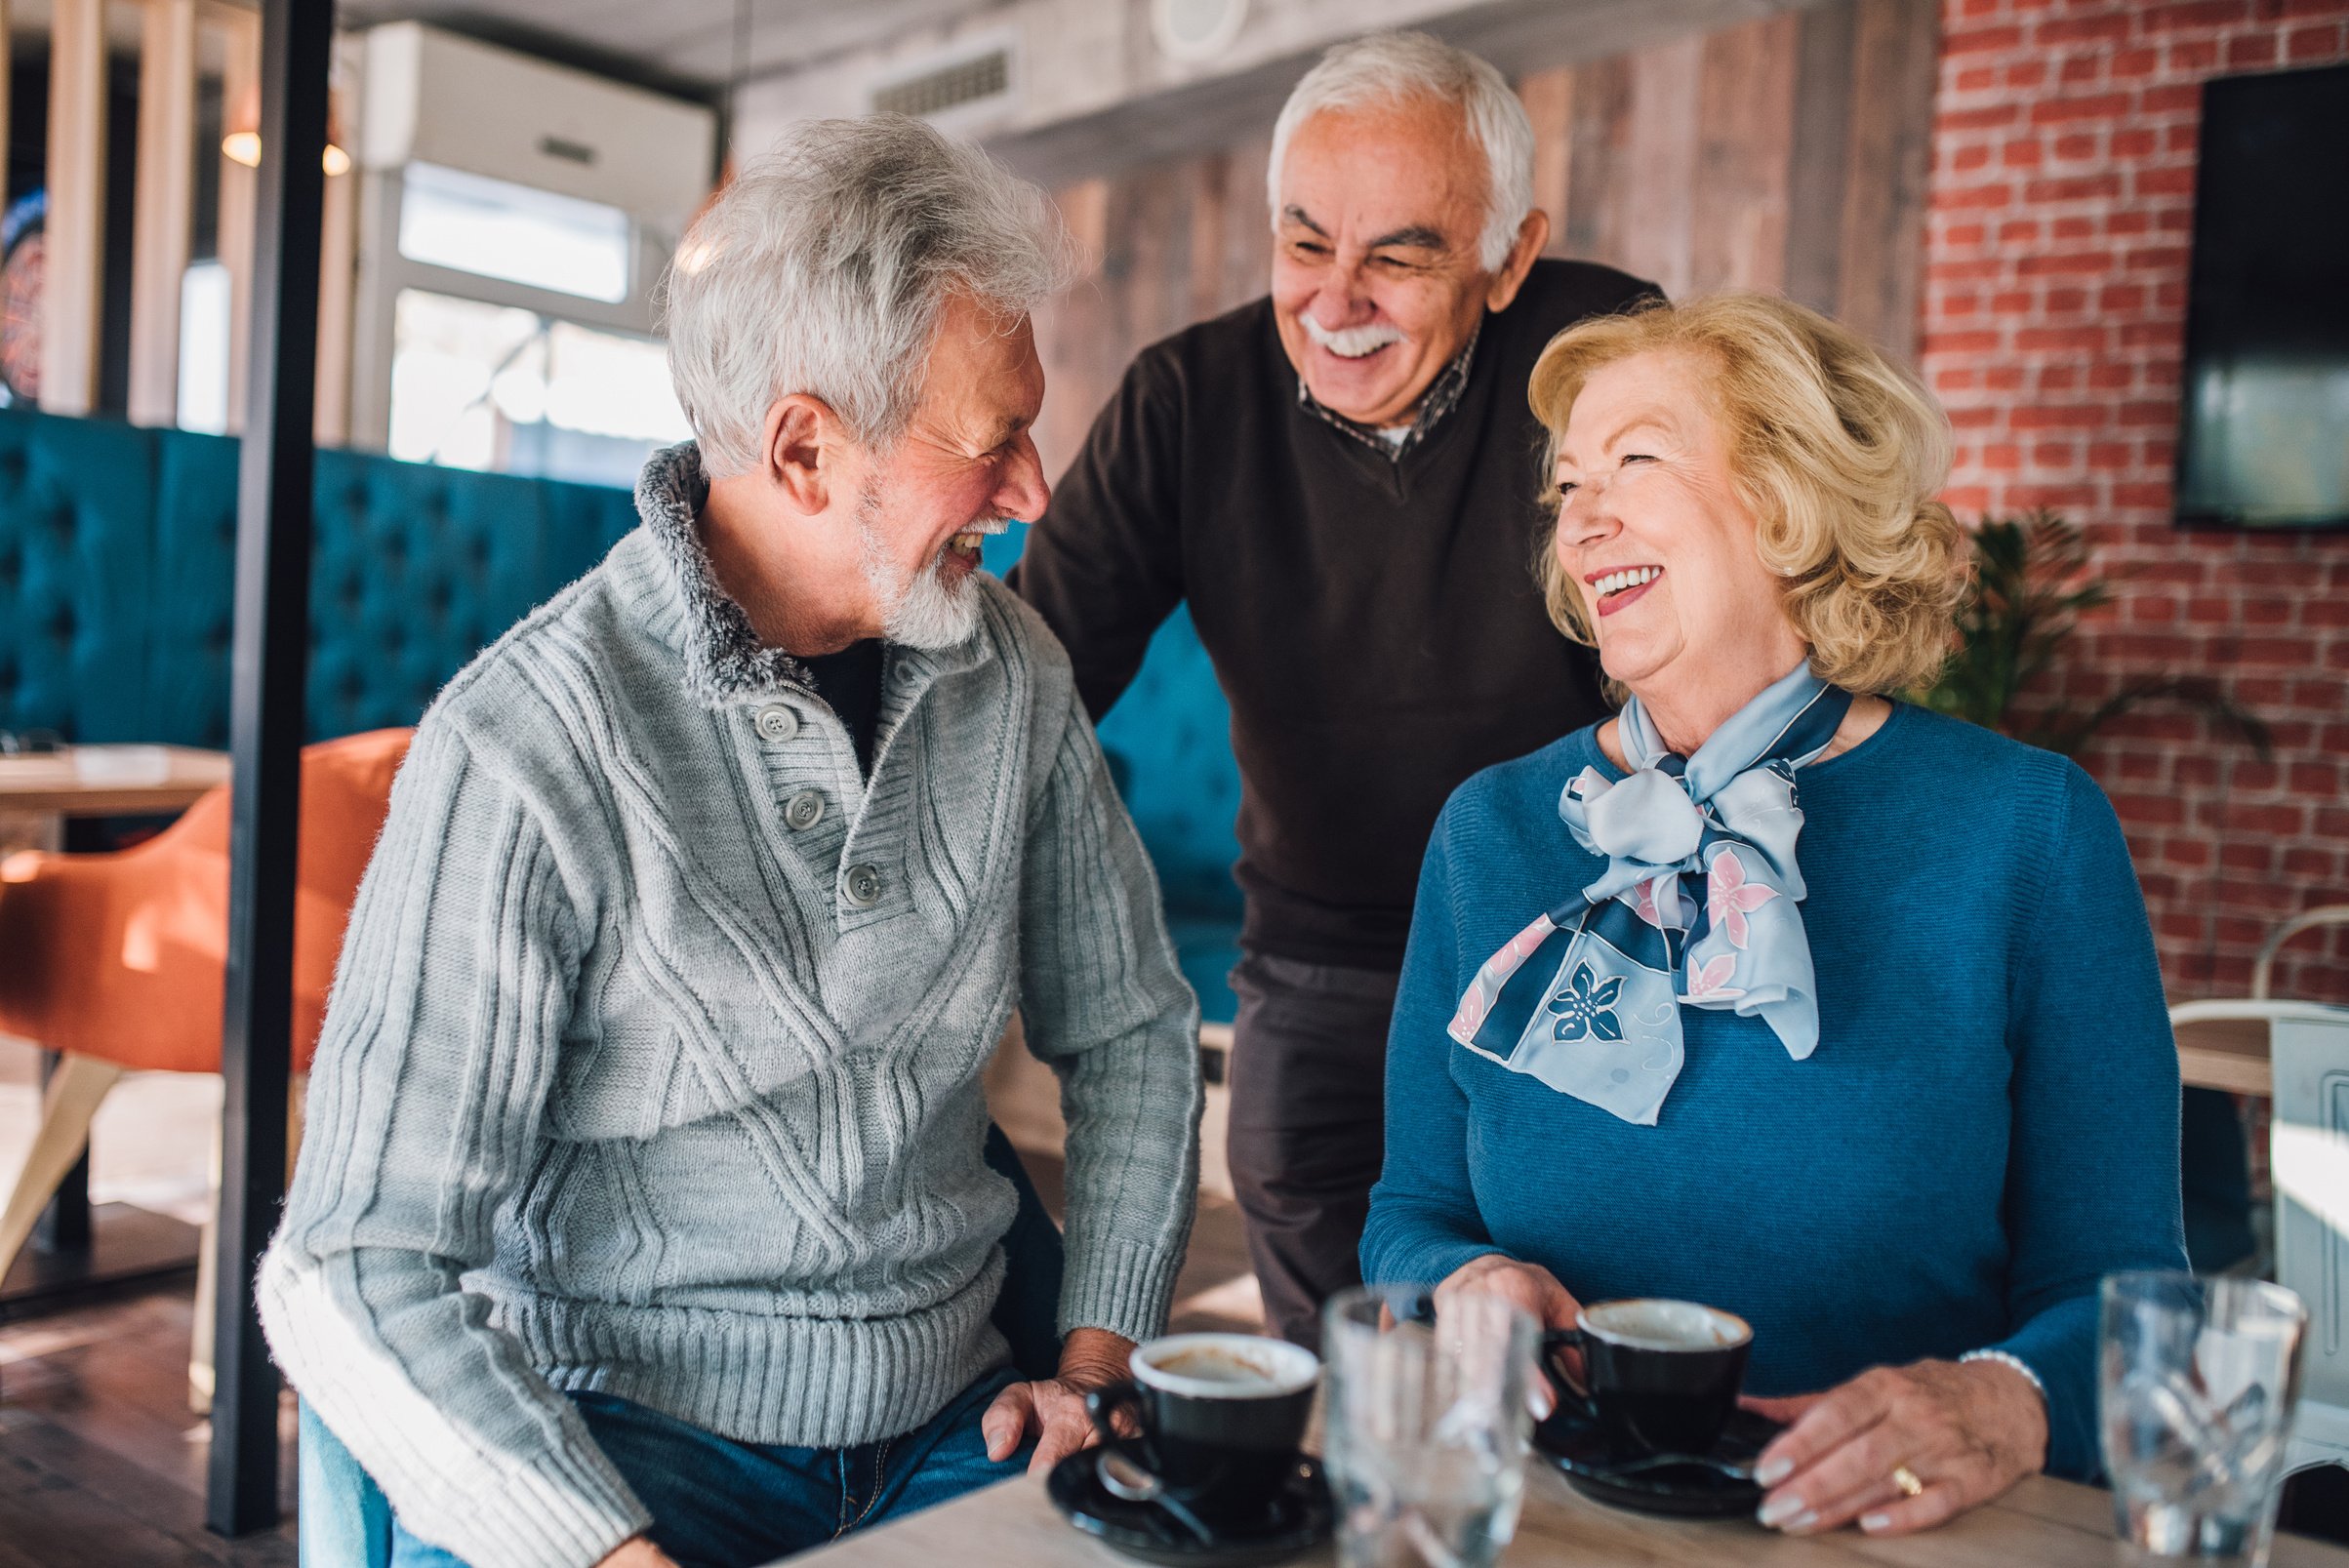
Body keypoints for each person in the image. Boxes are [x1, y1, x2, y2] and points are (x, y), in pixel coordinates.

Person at [258, 118, 1204, 1568]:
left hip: (967, 1421)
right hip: (621, 1445)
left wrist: (1094, 1363)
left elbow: (1136, 1029)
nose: (1033, 491)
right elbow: (352, 1261)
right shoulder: (529, 746)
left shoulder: (1007, 673)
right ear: (805, 448)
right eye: (988, 440)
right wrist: (604, 1549)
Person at [1361, 293, 2187, 1537]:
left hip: (1894, 1535)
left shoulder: (2027, 829)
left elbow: (2127, 1288)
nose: (1580, 516)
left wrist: (2001, 1401)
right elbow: (1407, 1213)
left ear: (1791, 498)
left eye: (1635, 458)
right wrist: (1462, 1280)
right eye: (1567, 484)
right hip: (1552, 1524)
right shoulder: (1491, 830)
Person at [1010, 30, 1653, 1347]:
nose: (1334, 299)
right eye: (1303, 243)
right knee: (1339, 1356)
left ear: (1507, 258)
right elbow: (1029, 677)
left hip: (1580, 932)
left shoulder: (1610, 362)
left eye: (1400, 254)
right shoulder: (1185, 401)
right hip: (1315, 951)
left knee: (1566, 1333)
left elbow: (1690, 657)